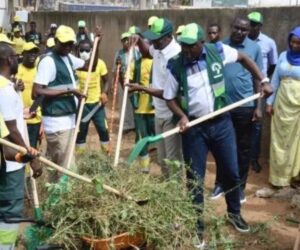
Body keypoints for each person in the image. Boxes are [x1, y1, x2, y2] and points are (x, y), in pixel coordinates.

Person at [163, 23, 272, 245]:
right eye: (183, 45)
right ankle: (196, 226)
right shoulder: (176, 65)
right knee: (195, 179)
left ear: (202, 43)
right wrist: (182, 116)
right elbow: (169, 97)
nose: (185, 50)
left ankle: (234, 214)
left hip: (222, 123)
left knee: (231, 171)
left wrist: (263, 80)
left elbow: (243, 58)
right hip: (195, 129)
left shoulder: (218, 51)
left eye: (190, 46)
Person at [211, 17, 264, 202]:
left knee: (243, 149)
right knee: (221, 147)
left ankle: (239, 187)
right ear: (231, 27)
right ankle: (220, 183)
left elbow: (258, 77)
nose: (240, 32)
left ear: (249, 31)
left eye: (244, 30)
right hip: (223, 106)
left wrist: (258, 106)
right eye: (237, 28)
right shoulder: (220, 46)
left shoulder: (254, 48)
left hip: (245, 106)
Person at [0, 43, 42, 249]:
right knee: (10, 209)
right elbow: (10, 130)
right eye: (15, 57)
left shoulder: (7, 87)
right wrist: (31, 156)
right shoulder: (5, 90)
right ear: (9, 60)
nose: (17, 60)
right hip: (10, 162)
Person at [32, 25, 87, 179]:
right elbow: (36, 91)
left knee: (58, 166)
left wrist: (98, 42)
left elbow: (90, 66)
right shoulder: (48, 62)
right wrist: (69, 91)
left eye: (70, 44)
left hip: (68, 120)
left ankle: (55, 196)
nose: (68, 47)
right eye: (64, 43)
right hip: (57, 123)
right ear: (56, 41)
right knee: (67, 169)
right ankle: (62, 198)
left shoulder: (68, 58)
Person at [129, 18, 182, 177]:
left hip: (171, 114)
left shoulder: (175, 56)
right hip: (159, 111)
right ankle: (167, 188)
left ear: (168, 37)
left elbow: (169, 93)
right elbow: (147, 51)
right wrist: (138, 41)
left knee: (173, 159)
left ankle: (175, 191)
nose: (152, 42)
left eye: (155, 39)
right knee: (162, 157)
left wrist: (142, 89)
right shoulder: (158, 48)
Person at [266, 26, 300, 192]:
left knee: (296, 143)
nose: (295, 46)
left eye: (298, 43)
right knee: (278, 142)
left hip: (298, 108)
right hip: (281, 105)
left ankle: (294, 176)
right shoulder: (282, 56)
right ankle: (278, 178)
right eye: (292, 42)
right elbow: (274, 81)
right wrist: (269, 102)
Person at [248, 11, 278, 173]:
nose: (251, 27)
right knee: (241, 122)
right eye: (250, 23)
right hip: (244, 87)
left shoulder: (269, 42)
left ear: (260, 26)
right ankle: (242, 157)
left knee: (257, 126)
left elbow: (273, 65)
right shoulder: (243, 42)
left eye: (254, 24)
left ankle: (254, 158)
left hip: (259, 88)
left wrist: (263, 79)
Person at [75, 39, 110, 154]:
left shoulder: (100, 63)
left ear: (91, 50)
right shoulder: (76, 64)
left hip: (97, 105)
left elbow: (107, 81)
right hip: (82, 106)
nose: (84, 52)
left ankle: (106, 157)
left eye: (87, 50)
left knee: (104, 130)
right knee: (80, 133)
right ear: (78, 50)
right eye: (81, 50)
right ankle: (81, 160)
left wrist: (105, 93)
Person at [128, 46, 154, 172]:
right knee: (142, 138)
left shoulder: (157, 62)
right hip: (140, 109)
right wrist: (133, 87)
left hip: (157, 109)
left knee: (161, 139)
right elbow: (128, 84)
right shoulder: (135, 64)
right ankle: (145, 168)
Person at [113, 32, 141, 133]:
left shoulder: (136, 52)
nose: (126, 42)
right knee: (124, 105)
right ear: (121, 42)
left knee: (136, 104)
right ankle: (126, 126)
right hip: (122, 82)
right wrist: (115, 84)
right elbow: (115, 69)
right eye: (124, 40)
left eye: (127, 39)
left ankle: (137, 125)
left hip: (134, 83)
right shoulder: (119, 53)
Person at [16, 42, 42, 148]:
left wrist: (43, 124)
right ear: (23, 54)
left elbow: (43, 96)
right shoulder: (16, 69)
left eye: (35, 53)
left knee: (32, 149)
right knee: (19, 149)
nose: (33, 55)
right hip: (19, 118)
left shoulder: (40, 70)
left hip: (35, 118)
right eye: (29, 52)